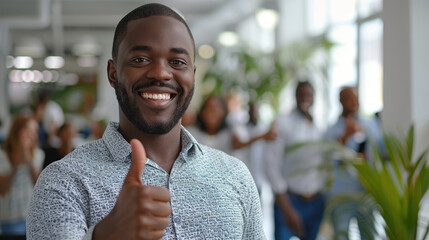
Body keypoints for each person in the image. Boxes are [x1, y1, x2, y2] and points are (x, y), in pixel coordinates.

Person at [27, 3, 264, 240]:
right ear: (113, 73)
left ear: (192, 74)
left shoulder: (235, 176)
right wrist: (103, 237)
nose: (160, 73)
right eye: (140, 59)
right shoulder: (64, 182)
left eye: (178, 62)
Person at [266, 81, 326, 240]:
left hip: (315, 202)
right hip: (290, 200)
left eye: (309, 95)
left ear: (314, 98)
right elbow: (272, 166)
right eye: (302, 94)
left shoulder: (318, 127)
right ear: (295, 96)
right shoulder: (282, 122)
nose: (305, 98)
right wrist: (287, 208)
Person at [325, 86, 384, 239]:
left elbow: (382, 151)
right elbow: (329, 159)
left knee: (369, 235)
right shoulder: (332, 131)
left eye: (356, 98)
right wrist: (346, 136)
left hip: (366, 193)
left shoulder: (370, 125)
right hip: (342, 194)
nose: (354, 103)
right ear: (340, 101)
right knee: (341, 235)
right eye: (349, 99)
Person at [0, 115, 44, 235]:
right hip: (10, 218)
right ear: (17, 131)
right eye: (28, 130)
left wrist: (29, 161)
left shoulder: (38, 154)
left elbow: (39, 185)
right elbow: (3, 190)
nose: (32, 135)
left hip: (33, 217)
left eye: (34, 131)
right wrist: (15, 164)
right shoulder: (2, 156)